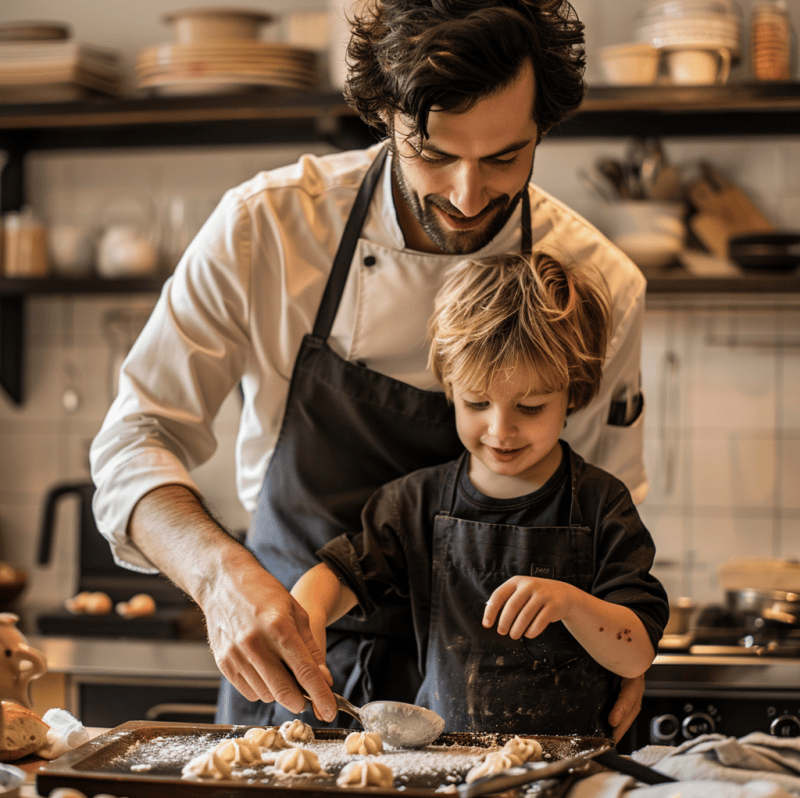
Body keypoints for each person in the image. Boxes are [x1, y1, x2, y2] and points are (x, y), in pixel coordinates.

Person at [89, 0, 649, 737]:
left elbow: (604, 513)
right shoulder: (270, 229)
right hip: (294, 673)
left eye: (506, 157)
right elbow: (136, 439)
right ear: (383, 113)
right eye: (436, 154)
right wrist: (218, 576)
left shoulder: (595, 281)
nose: (468, 194)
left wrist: (624, 651)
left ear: (542, 127)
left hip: (500, 701)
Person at [290, 252, 667, 736]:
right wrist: (307, 620)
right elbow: (338, 576)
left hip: (573, 772)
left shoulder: (601, 503)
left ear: (572, 392)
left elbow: (636, 652)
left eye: (530, 407)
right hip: (448, 766)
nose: (500, 429)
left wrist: (571, 603)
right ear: (449, 387)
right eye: (476, 402)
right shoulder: (416, 502)